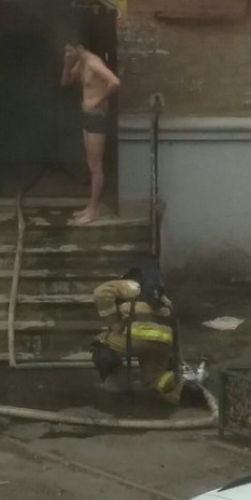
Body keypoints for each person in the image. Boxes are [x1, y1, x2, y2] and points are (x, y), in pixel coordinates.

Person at [90, 267, 183, 405]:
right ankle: (179, 392)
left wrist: (113, 321)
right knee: (156, 377)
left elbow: (101, 292)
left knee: (100, 344)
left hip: (135, 337)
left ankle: (120, 387)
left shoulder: (131, 285)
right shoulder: (163, 297)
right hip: (164, 341)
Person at [61, 41, 121, 225]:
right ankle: (91, 206)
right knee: (90, 163)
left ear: (80, 48)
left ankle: (94, 210)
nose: (68, 54)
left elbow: (115, 82)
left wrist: (99, 100)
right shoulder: (80, 63)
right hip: (86, 116)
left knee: (96, 166)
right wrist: (67, 64)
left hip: (96, 117)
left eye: (70, 51)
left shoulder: (93, 62)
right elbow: (65, 82)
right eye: (66, 51)